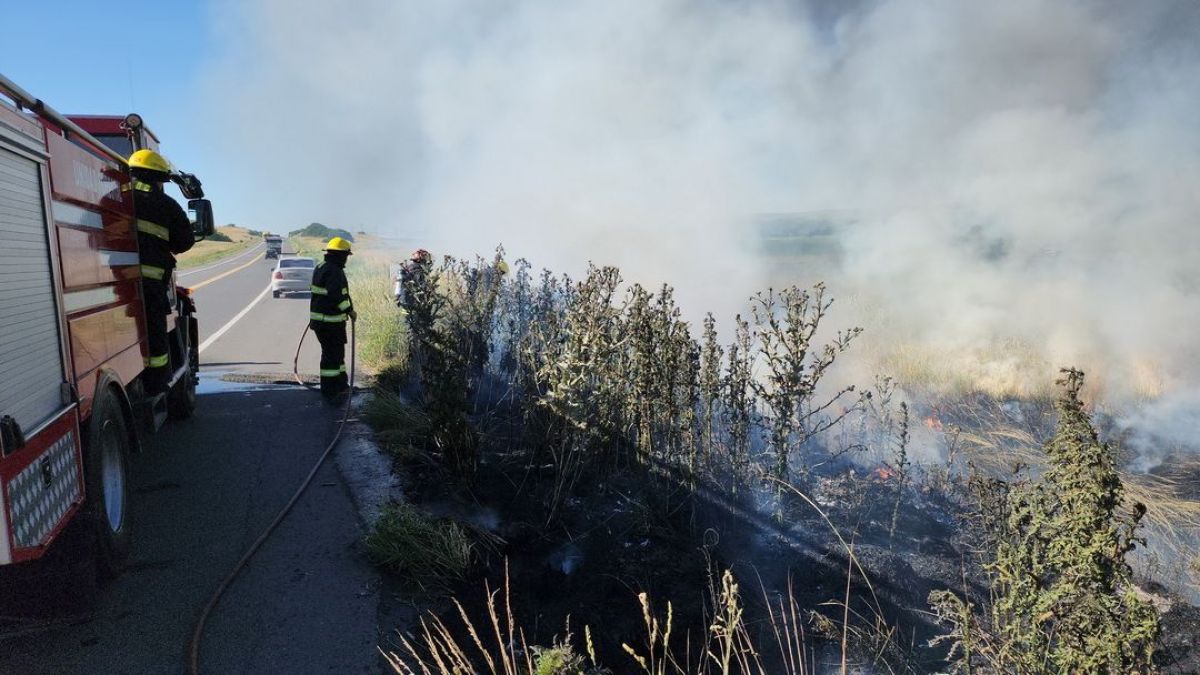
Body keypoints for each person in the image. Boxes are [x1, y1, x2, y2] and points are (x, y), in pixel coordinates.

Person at [128, 149, 195, 394]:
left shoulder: (111, 198)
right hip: (151, 284)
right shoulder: (165, 204)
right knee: (156, 333)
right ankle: (157, 384)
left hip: (115, 284)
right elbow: (185, 241)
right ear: (158, 178)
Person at [309, 237, 357, 398]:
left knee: (336, 355)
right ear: (340, 255)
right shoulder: (334, 271)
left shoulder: (322, 266)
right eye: (346, 255)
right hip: (330, 322)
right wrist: (350, 311)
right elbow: (337, 296)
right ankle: (330, 391)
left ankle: (341, 385)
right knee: (331, 357)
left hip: (323, 322)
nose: (346, 259)